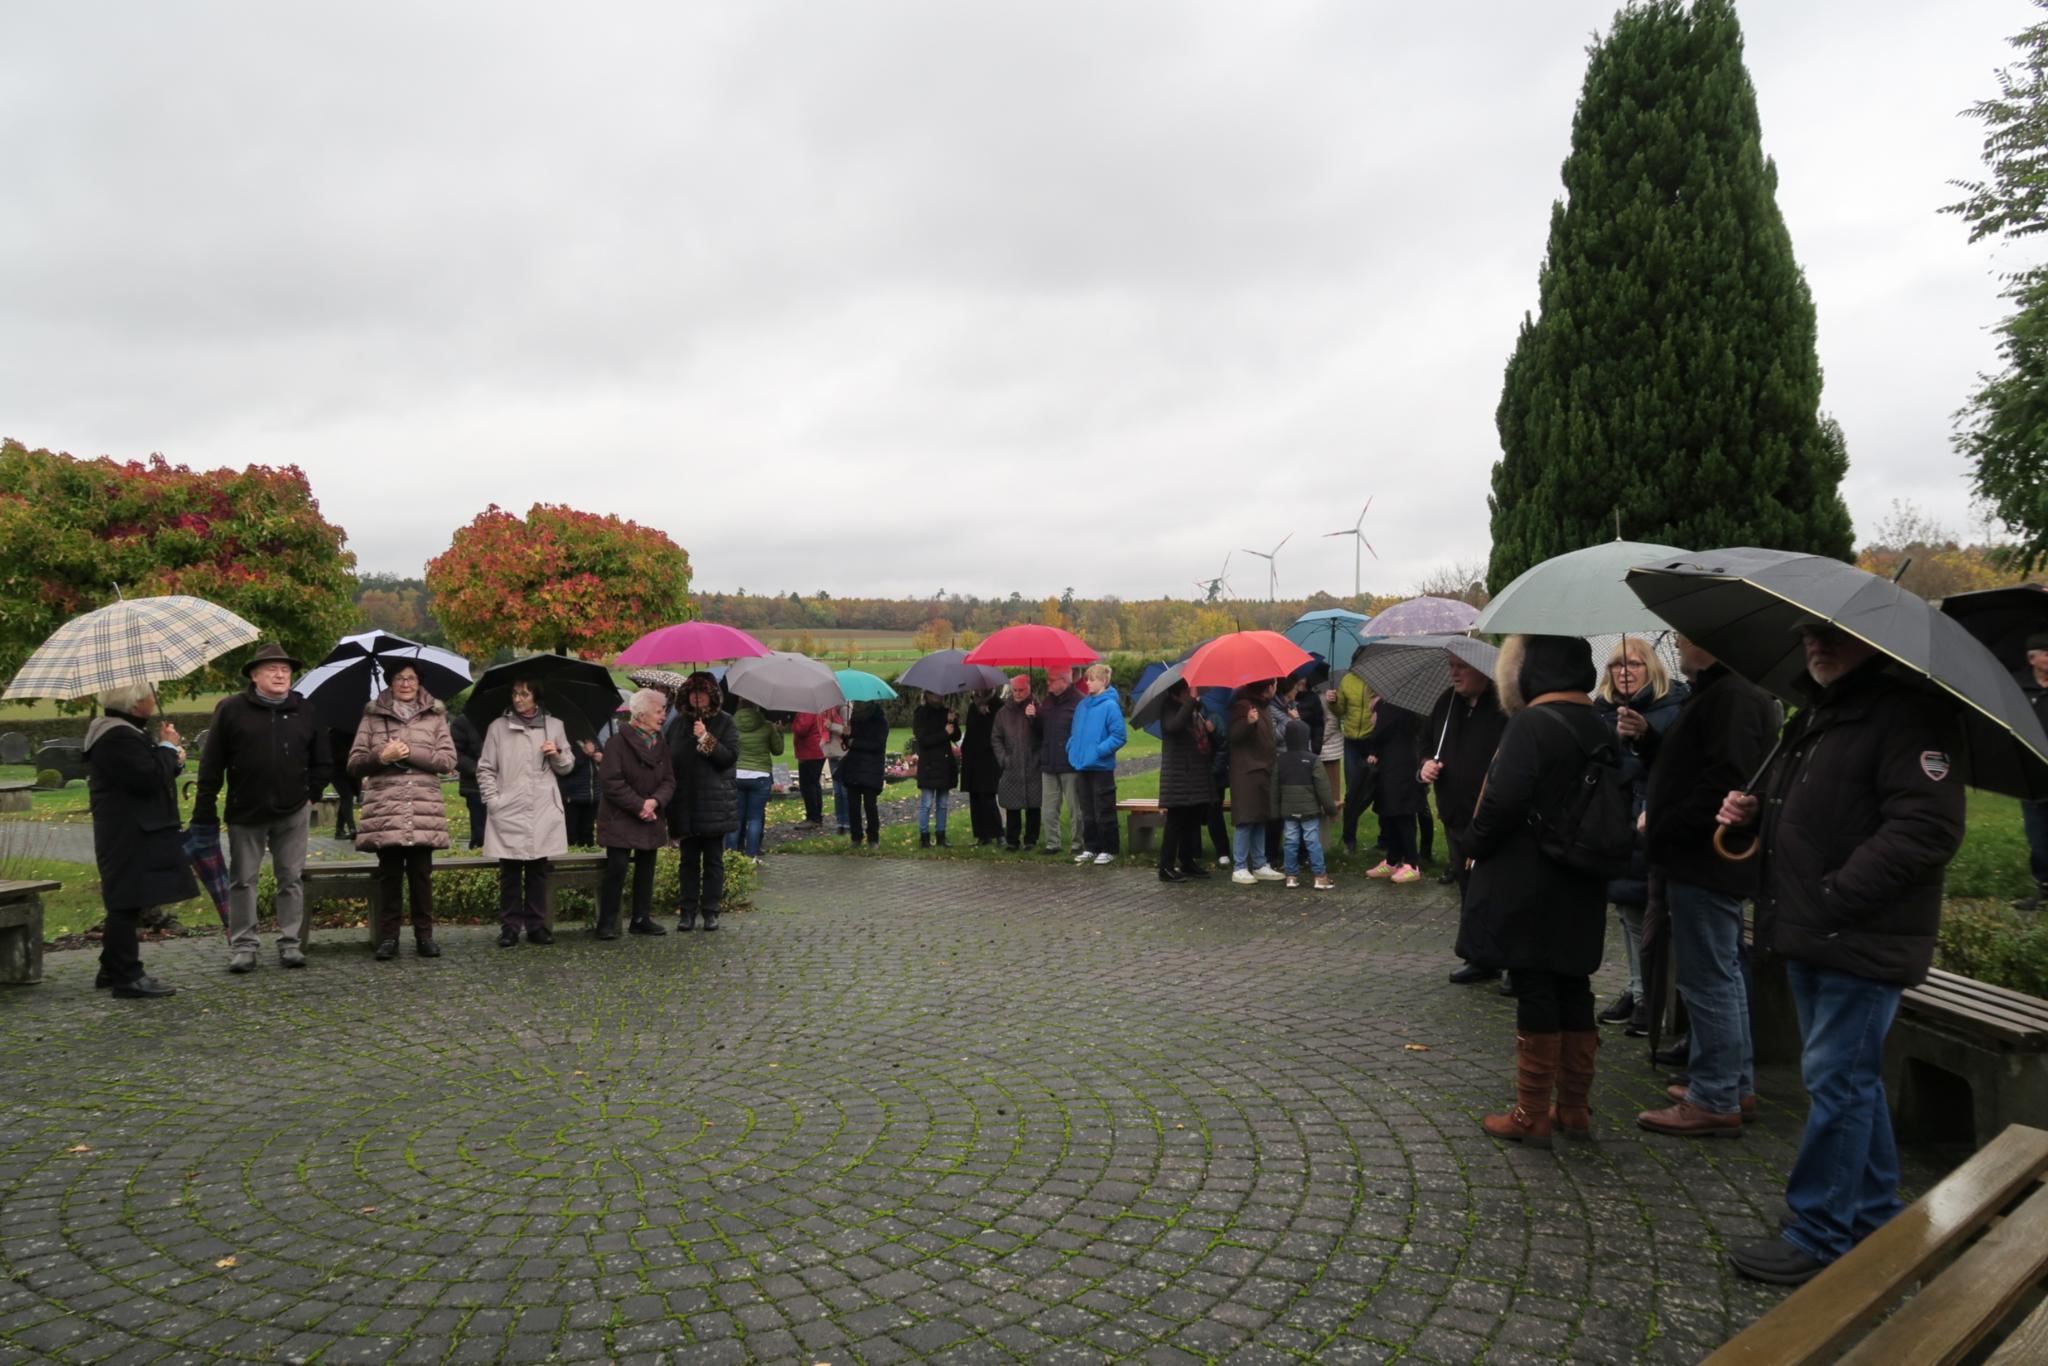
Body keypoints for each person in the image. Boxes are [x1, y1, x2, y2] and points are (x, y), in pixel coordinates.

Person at [1718, 623, 1965, 1285]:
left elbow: (1927, 827)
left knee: (1838, 1081)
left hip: (1858, 936)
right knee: (1850, 1081)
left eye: (1834, 637)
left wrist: (1835, 895)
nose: (1816, 646)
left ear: (1877, 643)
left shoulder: (1906, 715)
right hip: (1814, 930)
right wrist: (1756, 813)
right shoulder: (1820, 716)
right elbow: (1818, 817)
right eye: (1808, 636)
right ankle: (1877, 1217)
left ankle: (1822, 1233)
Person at [1462, 635, 1609, 1148]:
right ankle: (1573, 1107)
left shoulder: (1531, 723)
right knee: (1574, 983)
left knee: (1535, 984)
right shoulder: (1600, 723)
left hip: (1530, 873)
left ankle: (1531, 1113)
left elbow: (1504, 799)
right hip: (1584, 874)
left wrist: (1472, 841)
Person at [1633, 635, 1780, 1138]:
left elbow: (1724, 778)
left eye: (1684, 635)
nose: (1676, 642)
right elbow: (1693, 762)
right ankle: (1733, 1083)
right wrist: (1651, 743)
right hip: (1701, 857)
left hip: (1703, 858)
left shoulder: (1732, 697)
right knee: (1723, 971)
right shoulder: (1718, 692)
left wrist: (1668, 827)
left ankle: (1715, 1095)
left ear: (1713, 643)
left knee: (1707, 976)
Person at [194, 643, 332, 974]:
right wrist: (205, 806)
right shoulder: (231, 709)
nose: (280, 674)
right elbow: (212, 763)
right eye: (272, 669)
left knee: (290, 878)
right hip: (246, 810)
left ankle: (290, 943)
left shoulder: (306, 710)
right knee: (243, 879)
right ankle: (243, 945)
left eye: (285, 669)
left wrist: (311, 793)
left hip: (293, 809)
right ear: (255, 676)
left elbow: (323, 759)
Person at [1589, 638, 1689, 1024]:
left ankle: (1657, 998)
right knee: (1628, 913)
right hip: (1616, 824)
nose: (1624, 671)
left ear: (1652, 669)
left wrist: (1644, 736)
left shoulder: (1673, 708)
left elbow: (1674, 767)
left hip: (1652, 821)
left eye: (1633, 664)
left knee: (1657, 917)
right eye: (1616, 665)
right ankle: (1638, 990)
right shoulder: (1603, 712)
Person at [84, 683, 195, 998]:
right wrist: (167, 747)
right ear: (135, 704)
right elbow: (146, 780)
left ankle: (111, 966)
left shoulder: (124, 732)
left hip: (135, 828)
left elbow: (153, 774)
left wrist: (172, 757)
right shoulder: (116, 736)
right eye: (148, 694)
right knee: (126, 901)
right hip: (128, 831)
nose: (152, 699)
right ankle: (127, 976)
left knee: (128, 900)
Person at [347, 665, 457, 962]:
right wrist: (381, 757)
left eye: (411, 678)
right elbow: (354, 764)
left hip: (422, 809)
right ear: (390, 683)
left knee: (422, 876)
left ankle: (425, 936)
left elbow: (448, 760)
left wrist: (411, 752)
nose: (405, 683)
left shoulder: (435, 716)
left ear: (420, 682)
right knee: (389, 876)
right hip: (386, 809)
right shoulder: (372, 717)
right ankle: (388, 938)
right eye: (399, 678)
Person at [1420, 653, 1511, 984]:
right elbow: (1426, 744)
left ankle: (1512, 961)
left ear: (1482, 670)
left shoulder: (1504, 705)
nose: (1454, 674)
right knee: (1468, 888)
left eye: (1462, 667)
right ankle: (1479, 956)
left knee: (1498, 889)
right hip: (1454, 813)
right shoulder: (1446, 704)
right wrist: (1425, 765)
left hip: (1491, 814)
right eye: (1451, 667)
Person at [478, 678, 573, 947]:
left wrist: (556, 753)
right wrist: (493, 801)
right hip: (508, 808)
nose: (518, 699)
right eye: (515, 693)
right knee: (509, 871)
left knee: (537, 870)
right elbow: (485, 768)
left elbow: (567, 766)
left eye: (525, 694)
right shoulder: (498, 727)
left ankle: (536, 926)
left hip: (542, 808)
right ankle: (509, 927)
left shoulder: (555, 726)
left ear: (536, 697)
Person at [597, 688, 676, 939]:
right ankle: (607, 922)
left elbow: (669, 779)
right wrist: (639, 805)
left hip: (650, 814)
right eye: (659, 711)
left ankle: (641, 918)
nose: (663, 716)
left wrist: (654, 802)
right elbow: (612, 782)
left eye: (663, 711)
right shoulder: (617, 743)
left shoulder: (660, 742)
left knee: (646, 867)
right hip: (620, 816)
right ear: (641, 715)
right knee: (617, 868)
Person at [669, 672, 740, 929]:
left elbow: (728, 758)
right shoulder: (677, 725)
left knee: (713, 860)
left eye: (702, 692)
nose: (697, 696)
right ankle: (686, 912)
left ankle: (711, 911)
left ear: (711, 696)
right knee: (687, 861)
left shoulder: (725, 722)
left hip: (714, 803)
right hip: (685, 802)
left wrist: (706, 738)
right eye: (692, 692)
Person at [1156, 679, 1217, 883]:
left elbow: (1201, 739)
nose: (1195, 693)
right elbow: (1173, 727)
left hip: (1196, 775)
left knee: (1192, 820)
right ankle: (1165, 867)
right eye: (1190, 691)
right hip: (1179, 775)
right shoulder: (1169, 707)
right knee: (1175, 821)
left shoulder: (1193, 709)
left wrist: (1210, 730)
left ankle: (1187, 861)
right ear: (1180, 692)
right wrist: (1191, 702)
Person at [1067, 663, 1127, 865]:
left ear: (1103, 681)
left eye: (1092, 679)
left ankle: (1109, 848)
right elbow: (1075, 732)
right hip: (1082, 764)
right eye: (1087, 679)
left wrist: (1098, 751)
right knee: (1087, 809)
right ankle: (1091, 846)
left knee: (1103, 808)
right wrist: (1072, 748)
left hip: (1101, 767)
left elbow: (1119, 736)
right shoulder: (1082, 706)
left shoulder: (1110, 706)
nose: (1088, 683)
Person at [1365, 700, 1427, 884]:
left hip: (1400, 765)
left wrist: (1377, 716)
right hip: (1391, 762)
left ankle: (1411, 863)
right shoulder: (1391, 701)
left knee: (1402, 813)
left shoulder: (1396, 703)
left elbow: (1382, 729)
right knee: (1389, 811)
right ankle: (1393, 859)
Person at [1228, 679, 1283, 884]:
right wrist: (1247, 723)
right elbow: (1234, 735)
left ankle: (1260, 863)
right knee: (1246, 819)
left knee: (1260, 817)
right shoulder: (1242, 705)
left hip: (1264, 769)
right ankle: (1240, 866)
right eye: (1275, 684)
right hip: (1246, 771)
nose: (1276, 688)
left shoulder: (1265, 707)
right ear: (1268, 687)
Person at [1275, 718, 1337, 890]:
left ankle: (1291, 877)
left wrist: (1275, 810)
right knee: (1312, 841)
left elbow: (1274, 788)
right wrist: (1331, 809)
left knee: (1290, 841)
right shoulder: (1313, 760)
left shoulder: (1280, 760)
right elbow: (1323, 788)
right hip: (1309, 810)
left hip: (1288, 810)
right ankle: (1320, 876)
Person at [1330, 648, 1378, 855]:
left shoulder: (1377, 681)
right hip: (1351, 741)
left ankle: (1385, 839)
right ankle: (1349, 840)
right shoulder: (1347, 680)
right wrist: (1333, 703)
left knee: (1377, 789)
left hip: (1371, 741)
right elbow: (1341, 710)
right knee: (1352, 792)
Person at [991, 675, 1042, 852]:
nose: (1018, 694)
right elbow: (996, 738)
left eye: (1021, 690)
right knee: (1012, 805)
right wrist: (1003, 759)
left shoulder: (1037, 708)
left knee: (1034, 805)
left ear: (1029, 689)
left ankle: (1031, 839)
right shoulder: (1003, 713)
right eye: (1015, 690)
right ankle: (1012, 840)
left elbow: (1044, 734)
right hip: (1011, 764)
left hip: (1033, 764)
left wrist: (1033, 718)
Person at [728, 701, 783, 861]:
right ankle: (752, 854)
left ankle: (731, 854)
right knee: (755, 818)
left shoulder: (731, 724)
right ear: (756, 707)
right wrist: (778, 732)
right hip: (760, 775)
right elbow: (778, 750)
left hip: (737, 773)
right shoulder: (766, 726)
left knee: (736, 817)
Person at [1037, 668, 1082, 854]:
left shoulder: (1079, 701)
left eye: (1052, 680)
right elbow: (1040, 730)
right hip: (1049, 762)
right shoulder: (1047, 702)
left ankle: (1078, 843)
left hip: (1070, 763)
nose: (1048, 684)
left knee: (1075, 808)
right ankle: (1052, 843)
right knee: (1048, 808)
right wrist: (1033, 717)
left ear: (1064, 681)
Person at [2019, 633, 2048, 910]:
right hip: (2032, 776)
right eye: (2046, 653)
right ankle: (2044, 889)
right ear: (2033, 659)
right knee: (2038, 839)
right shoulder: (2020, 689)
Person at [912, 690, 959, 848]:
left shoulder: (946, 713)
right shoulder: (921, 714)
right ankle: (924, 836)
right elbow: (923, 740)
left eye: (941, 695)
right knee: (926, 803)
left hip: (944, 764)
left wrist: (953, 722)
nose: (939, 697)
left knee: (943, 803)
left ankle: (941, 835)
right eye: (934, 695)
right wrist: (944, 733)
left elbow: (956, 736)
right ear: (927, 696)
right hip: (929, 764)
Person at [839, 699, 888, 848]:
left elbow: (878, 744)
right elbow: (848, 743)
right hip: (854, 766)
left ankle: (873, 838)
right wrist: (846, 736)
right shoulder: (854, 718)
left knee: (869, 804)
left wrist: (855, 743)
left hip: (871, 767)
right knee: (853, 805)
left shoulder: (880, 720)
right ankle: (856, 837)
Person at [960, 689, 1002, 846]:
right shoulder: (973, 706)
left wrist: (986, 714)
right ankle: (982, 834)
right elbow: (971, 730)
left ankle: (998, 833)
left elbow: (995, 731)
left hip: (988, 758)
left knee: (987, 796)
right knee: (975, 796)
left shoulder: (997, 705)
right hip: (972, 758)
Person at [449, 709, 487, 849]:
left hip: (507, 785)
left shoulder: (507, 720)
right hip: (476, 786)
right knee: (481, 834)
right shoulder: (464, 721)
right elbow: (453, 753)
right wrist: (477, 769)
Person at [820, 704, 852, 836]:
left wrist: (831, 725)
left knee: (844, 791)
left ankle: (848, 823)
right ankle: (840, 823)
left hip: (842, 753)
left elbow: (848, 730)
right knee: (837, 791)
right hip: (832, 753)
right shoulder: (827, 709)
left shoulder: (844, 708)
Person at [791, 711, 828, 828]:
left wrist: (794, 721)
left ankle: (813, 817)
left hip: (810, 752)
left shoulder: (807, 711)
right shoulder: (817, 710)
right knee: (814, 784)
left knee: (808, 786)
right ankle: (816, 816)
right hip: (816, 751)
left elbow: (801, 730)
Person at [327, 724, 360, 841]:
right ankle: (352, 828)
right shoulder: (333, 735)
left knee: (348, 798)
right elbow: (333, 756)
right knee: (347, 796)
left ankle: (339, 830)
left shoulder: (354, 733)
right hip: (337, 771)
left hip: (350, 770)